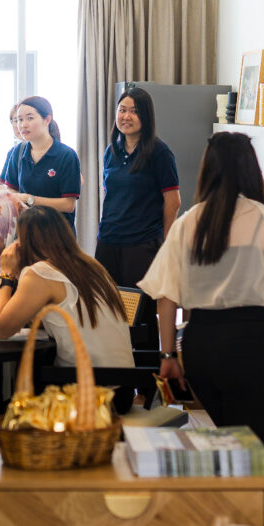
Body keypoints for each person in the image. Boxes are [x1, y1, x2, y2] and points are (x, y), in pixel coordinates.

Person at [138, 132, 264, 445]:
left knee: (229, 438)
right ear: (251, 169)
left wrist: (167, 355)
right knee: (250, 446)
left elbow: (165, 298)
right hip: (252, 345)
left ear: (208, 169)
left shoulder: (188, 222)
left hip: (200, 346)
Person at [0, 206, 134, 372]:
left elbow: (0, 330)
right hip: (124, 380)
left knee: (30, 371)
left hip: (84, 383)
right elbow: (40, 323)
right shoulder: (90, 264)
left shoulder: (41, 272)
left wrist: (6, 273)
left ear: (25, 243)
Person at [96, 86, 181, 347]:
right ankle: (115, 369)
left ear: (146, 116)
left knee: (141, 315)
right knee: (108, 310)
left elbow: (173, 202)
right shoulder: (112, 151)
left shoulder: (159, 152)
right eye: (122, 110)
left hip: (141, 244)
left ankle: (146, 369)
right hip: (109, 241)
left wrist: (165, 244)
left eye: (134, 111)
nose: (126, 116)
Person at [2, 96, 82, 230]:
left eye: (30, 118)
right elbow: (11, 188)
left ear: (47, 120)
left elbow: (68, 205)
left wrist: (30, 199)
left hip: (57, 233)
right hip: (26, 231)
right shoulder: (18, 152)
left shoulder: (66, 155)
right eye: (19, 120)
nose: (23, 125)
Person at [0, 103, 21, 184]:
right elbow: (3, 183)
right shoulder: (13, 151)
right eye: (16, 121)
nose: (20, 125)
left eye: (29, 118)